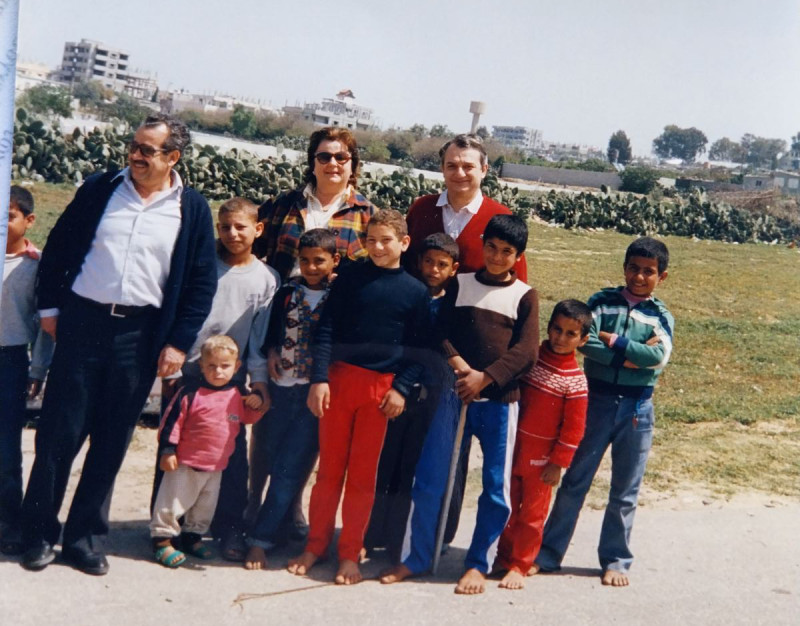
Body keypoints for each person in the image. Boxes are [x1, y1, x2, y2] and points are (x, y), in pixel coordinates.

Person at [20, 113, 217, 576]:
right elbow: (59, 247)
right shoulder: (101, 189)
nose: (135, 156)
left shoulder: (191, 208)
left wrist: (177, 342)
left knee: (111, 442)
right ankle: (38, 534)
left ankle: (84, 539)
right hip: (82, 325)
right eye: (133, 146)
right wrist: (49, 309)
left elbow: (200, 283)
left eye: (147, 150)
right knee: (58, 435)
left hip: (139, 336)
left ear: (173, 157)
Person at [382, 214, 539, 595]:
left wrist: (485, 377)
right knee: (431, 477)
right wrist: (461, 367)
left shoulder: (524, 295)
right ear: (482, 246)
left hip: (498, 402)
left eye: (506, 252)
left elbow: (526, 352)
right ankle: (416, 556)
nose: (497, 257)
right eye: (491, 248)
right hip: (454, 397)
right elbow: (440, 331)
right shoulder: (460, 284)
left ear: (518, 256)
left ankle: (477, 564)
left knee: (495, 487)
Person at [287, 209, 429, 585]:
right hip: (338, 383)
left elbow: (420, 349)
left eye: (386, 241)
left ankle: (350, 552)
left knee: (363, 478)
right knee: (329, 472)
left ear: (404, 243)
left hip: (380, 392)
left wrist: (401, 388)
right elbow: (327, 329)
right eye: (371, 240)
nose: (378, 248)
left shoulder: (416, 292)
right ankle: (316, 545)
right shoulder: (350, 276)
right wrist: (320, 379)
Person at [402, 133, 528, 546]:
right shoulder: (422, 209)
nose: (459, 173)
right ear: (442, 168)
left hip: (468, 359)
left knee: (451, 450)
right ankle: (400, 532)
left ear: (484, 170)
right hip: (420, 340)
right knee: (412, 440)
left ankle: (440, 536)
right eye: (452, 165)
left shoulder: (499, 218)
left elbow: (514, 291)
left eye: (468, 166)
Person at [250, 126, 375, 539]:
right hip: (280, 326)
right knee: (267, 427)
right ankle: (252, 507)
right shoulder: (283, 206)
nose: (333, 164)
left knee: (308, 431)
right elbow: (251, 251)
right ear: (312, 161)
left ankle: (290, 510)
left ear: (353, 165)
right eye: (324, 156)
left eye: (341, 157)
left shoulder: (366, 215)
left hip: (328, 336)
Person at [534, 237, 674, 587]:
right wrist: (630, 356)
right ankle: (548, 553)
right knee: (575, 480)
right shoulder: (601, 302)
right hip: (595, 402)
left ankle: (616, 559)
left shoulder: (660, 316)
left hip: (637, 409)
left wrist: (616, 341)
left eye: (648, 272)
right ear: (624, 268)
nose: (639, 277)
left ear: (661, 276)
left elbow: (658, 357)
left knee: (625, 490)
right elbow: (585, 342)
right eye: (633, 268)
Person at [151, 197, 279, 561]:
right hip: (188, 376)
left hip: (230, 382)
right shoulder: (201, 265)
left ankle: (227, 529)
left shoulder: (266, 279)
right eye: (225, 227)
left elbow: (258, 339)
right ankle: (164, 533)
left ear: (258, 229)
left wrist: (258, 381)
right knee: (173, 454)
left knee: (230, 461)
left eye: (241, 227)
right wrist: (174, 370)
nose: (232, 234)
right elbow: (178, 315)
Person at [244, 228, 339, 571]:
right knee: (269, 460)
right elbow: (272, 330)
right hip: (280, 388)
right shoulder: (287, 292)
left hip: (313, 395)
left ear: (334, 261)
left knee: (290, 469)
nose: (311, 267)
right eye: (305, 260)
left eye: (319, 261)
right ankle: (273, 527)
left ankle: (260, 541)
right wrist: (271, 349)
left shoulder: (339, 296)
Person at [364, 232, 459, 561]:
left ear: (453, 269)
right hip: (395, 390)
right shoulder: (410, 295)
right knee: (384, 464)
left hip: (429, 396)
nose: (434, 269)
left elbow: (431, 349)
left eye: (442, 264)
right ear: (418, 262)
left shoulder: (451, 306)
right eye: (429, 262)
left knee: (411, 469)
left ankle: (397, 540)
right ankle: (371, 534)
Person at [494, 299, 592, 590]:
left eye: (571, 334)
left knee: (532, 515)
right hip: (514, 446)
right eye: (557, 329)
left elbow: (574, 429)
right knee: (506, 507)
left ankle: (521, 564)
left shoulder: (575, 381)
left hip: (542, 460)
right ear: (548, 328)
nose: (561, 338)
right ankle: (502, 557)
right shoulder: (531, 359)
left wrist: (558, 463)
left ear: (583, 340)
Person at [150, 335, 264, 568]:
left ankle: (192, 538)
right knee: (172, 502)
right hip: (185, 463)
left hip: (216, 466)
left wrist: (255, 404)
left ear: (237, 367)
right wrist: (168, 451)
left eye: (225, 366)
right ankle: (162, 540)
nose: (218, 371)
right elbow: (171, 422)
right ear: (201, 365)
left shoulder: (237, 394)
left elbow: (247, 418)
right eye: (211, 366)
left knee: (203, 508)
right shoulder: (190, 393)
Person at [0, 186, 54, 555]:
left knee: (6, 447)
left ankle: (9, 520)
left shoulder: (35, 266)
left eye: (9, 216)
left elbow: (45, 326)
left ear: (29, 220)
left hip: (11, 361)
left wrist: (38, 370)